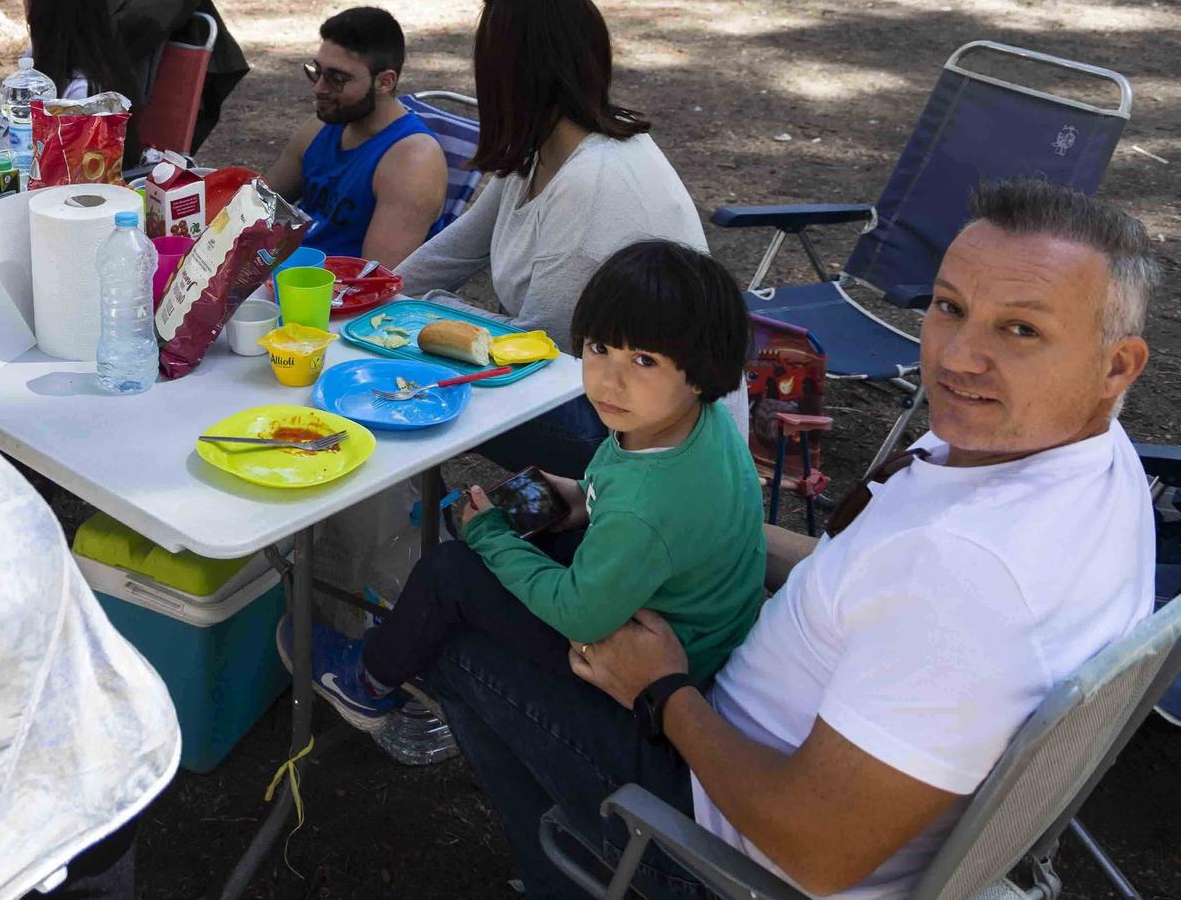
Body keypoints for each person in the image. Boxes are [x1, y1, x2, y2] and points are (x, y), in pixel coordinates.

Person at [427, 179, 1157, 900]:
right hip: (758, 735)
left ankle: (566, 878)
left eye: (1021, 329)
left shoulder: (968, 576)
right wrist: (671, 521)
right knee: (546, 567)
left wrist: (663, 692)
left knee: (458, 629)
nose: (960, 356)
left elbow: (814, 853)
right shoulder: (1084, 458)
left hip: (720, 845)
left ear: (1117, 364)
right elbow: (867, 585)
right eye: (950, 306)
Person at [287, 240, 764, 730]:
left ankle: (369, 682)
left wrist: (491, 537)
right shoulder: (694, 424)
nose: (610, 381)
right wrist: (580, 495)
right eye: (600, 349)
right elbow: (626, 495)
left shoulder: (642, 510)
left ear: (703, 370)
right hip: (689, 623)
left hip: (636, 665)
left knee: (448, 570)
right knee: (533, 515)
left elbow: (580, 615)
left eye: (644, 361)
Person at [397, 0, 734, 477]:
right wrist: (374, 295)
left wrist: (423, 317)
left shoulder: (591, 183)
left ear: (506, 74)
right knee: (398, 353)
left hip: (656, 440)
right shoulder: (549, 145)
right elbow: (459, 247)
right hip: (613, 394)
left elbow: (537, 349)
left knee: (412, 374)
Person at [261, 6, 447, 266]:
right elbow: (257, 208)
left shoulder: (412, 161)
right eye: (316, 71)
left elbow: (375, 281)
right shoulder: (321, 126)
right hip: (285, 278)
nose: (319, 87)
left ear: (384, 82)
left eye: (337, 78)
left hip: (333, 297)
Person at [23, 0, 142, 158]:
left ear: (43, 8)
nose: (24, 0)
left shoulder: (85, 93)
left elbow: (71, 166)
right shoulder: (39, 57)